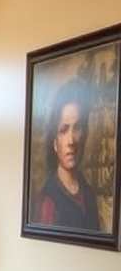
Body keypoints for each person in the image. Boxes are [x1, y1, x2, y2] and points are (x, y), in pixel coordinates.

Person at [32, 78, 101, 231]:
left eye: (77, 128)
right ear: (55, 142)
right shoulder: (48, 201)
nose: (71, 141)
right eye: (63, 130)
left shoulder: (88, 193)